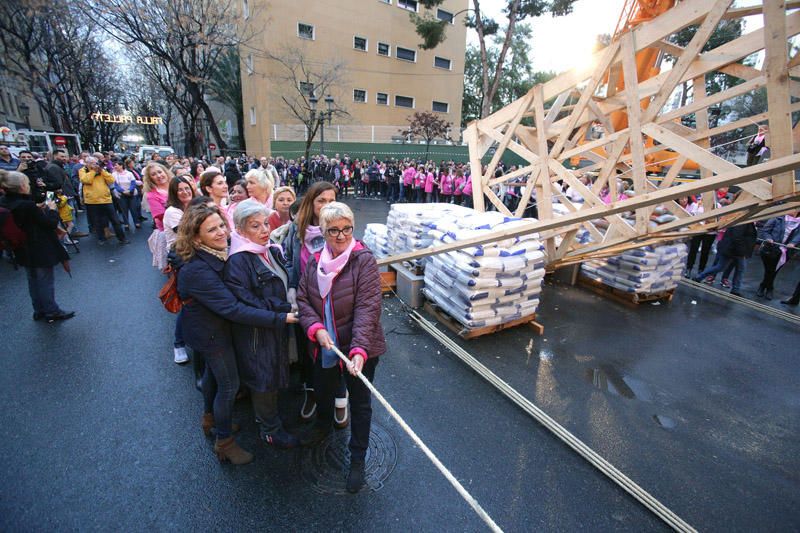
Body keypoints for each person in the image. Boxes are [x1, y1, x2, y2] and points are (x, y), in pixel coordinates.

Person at [176, 204, 296, 464]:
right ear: (196, 238)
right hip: (212, 336)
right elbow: (233, 308)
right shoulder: (198, 269)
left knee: (212, 379)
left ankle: (211, 419)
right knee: (228, 386)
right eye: (212, 230)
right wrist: (281, 317)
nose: (221, 232)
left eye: (221, 225)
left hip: (214, 330)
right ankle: (224, 441)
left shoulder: (219, 254)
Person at [297, 202, 386, 493]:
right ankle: (323, 426)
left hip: (360, 349)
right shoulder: (314, 261)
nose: (341, 235)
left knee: (360, 404)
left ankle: (357, 459)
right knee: (324, 390)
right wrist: (315, 328)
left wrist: (359, 350)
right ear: (322, 231)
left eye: (347, 228)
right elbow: (303, 301)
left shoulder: (363, 261)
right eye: (333, 230)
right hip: (325, 347)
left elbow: (368, 308)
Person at [223, 200, 300, 448]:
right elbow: (247, 303)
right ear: (240, 230)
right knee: (264, 378)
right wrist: (285, 310)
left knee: (275, 371)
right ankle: (269, 429)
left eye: (266, 223)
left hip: (276, 325)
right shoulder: (238, 261)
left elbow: (285, 275)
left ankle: (270, 418)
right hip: (258, 332)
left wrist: (291, 296)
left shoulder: (270, 249)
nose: (264, 230)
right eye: (255, 226)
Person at [283, 181, 338, 422]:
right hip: (304, 300)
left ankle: (339, 396)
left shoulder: (339, 227)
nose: (327, 206)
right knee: (308, 352)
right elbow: (288, 259)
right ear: (311, 203)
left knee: (335, 347)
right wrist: (292, 288)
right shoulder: (297, 230)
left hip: (334, 300)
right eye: (321, 201)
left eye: (331, 200)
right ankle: (312, 392)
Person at [0, 170, 74, 322]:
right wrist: (52, 210)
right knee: (45, 280)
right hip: (38, 245)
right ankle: (51, 310)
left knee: (32, 279)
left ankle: (39, 309)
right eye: (27, 183)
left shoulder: (4, 201)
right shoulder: (27, 205)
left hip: (20, 246)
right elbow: (50, 224)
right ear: (22, 186)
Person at [163, 176, 197, 364]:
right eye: (180, 190)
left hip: (196, 257)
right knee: (188, 303)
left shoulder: (192, 207)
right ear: (174, 193)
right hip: (182, 259)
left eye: (187, 188)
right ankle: (178, 344)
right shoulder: (172, 212)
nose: (185, 192)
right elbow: (189, 233)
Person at [693, 222, 757, 296]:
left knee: (721, 267)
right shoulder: (744, 222)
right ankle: (735, 289)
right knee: (737, 269)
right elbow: (736, 237)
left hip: (732, 249)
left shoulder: (746, 221)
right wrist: (742, 252)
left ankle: (699, 277)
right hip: (734, 250)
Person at [80, 157, 129, 245]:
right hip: (92, 201)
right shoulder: (83, 170)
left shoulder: (102, 171)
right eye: (92, 163)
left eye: (96, 163)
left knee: (115, 220)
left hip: (106, 199)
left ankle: (122, 238)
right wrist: (93, 171)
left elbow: (111, 180)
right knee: (97, 221)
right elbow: (85, 180)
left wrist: (102, 171)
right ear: (87, 163)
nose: (95, 165)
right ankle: (101, 238)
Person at [756, 212, 800, 299]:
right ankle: (769, 288)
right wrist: (769, 238)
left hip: (785, 251)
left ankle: (763, 286)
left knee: (774, 270)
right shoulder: (778, 217)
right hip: (770, 249)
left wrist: (793, 243)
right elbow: (765, 230)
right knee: (770, 270)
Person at [112, 159, 143, 229]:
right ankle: (126, 223)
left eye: (116, 165)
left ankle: (136, 222)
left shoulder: (129, 173)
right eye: (114, 166)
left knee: (133, 209)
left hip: (131, 193)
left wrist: (129, 190)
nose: (115, 167)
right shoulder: (113, 174)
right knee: (124, 210)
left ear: (121, 166)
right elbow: (115, 184)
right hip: (121, 194)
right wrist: (123, 191)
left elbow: (133, 182)